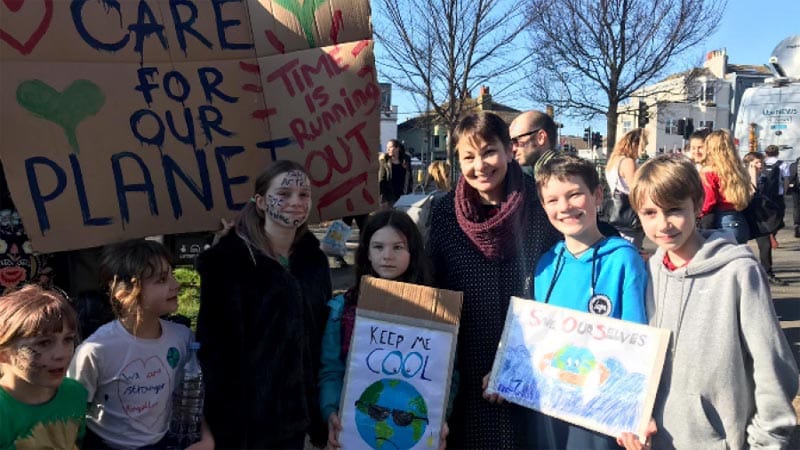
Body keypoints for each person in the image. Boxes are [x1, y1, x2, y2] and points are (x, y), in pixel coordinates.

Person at [617, 155, 798, 450]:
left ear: (699, 203)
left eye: (674, 210)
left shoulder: (738, 272)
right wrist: (636, 419)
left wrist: (766, 442)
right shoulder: (648, 273)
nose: (663, 224)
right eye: (650, 213)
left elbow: (772, 367)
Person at [428, 112, 561, 448]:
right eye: (468, 156)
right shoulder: (444, 215)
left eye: (489, 152)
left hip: (534, 360)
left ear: (509, 151)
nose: (480, 165)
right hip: (465, 364)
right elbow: (431, 287)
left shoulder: (542, 204)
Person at [195, 160, 331, 449]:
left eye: (304, 194)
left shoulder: (314, 262)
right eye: (284, 194)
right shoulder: (228, 263)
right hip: (247, 425)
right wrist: (224, 427)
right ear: (260, 202)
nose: (296, 201)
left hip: (299, 420)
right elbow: (214, 352)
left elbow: (320, 336)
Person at [530, 155, 648, 449]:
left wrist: (636, 412)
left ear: (597, 196)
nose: (565, 207)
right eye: (553, 200)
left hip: (601, 408)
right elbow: (535, 337)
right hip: (550, 406)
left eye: (575, 194)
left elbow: (638, 341)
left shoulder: (624, 259)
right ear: (543, 207)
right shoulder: (546, 264)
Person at [319, 210, 450, 448]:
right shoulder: (342, 310)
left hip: (410, 433)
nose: (387, 256)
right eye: (378, 247)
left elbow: (448, 373)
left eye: (398, 247)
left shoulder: (436, 313)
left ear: (413, 252)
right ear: (366, 253)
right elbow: (331, 369)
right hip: (357, 433)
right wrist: (330, 411)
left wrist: (440, 416)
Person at [67, 239, 211, 449]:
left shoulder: (182, 338)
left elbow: (198, 396)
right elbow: (71, 412)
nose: (176, 284)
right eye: (162, 280)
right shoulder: (95, 350)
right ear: (123, 293)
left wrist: (207, 439)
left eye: (171, 274)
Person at [0, 285, 86, 449]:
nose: (61, 354)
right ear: (3, 353)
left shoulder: (75, 394)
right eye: (44, 343)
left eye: (68, 339)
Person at [697, 129, 752, 243]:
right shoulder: (738, 170)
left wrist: (698, 213)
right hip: (740, 219)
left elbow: (709, 200)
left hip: (721, 221)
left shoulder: (709, 171)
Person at [743, 152, 788, 286]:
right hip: (745, 216)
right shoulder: (743, 178)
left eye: (761, 162)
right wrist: (752, 177)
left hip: (760, 218)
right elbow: (750, 194)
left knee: (765, 245)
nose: (760, 165)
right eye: (756, 162)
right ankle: (743, 274)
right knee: (740, 246)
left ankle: (767, 273)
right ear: (749, 164)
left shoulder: (764, 178)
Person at [605, 128, 647, 248]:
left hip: (617, 213)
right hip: (630, 216)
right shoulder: (628, 162)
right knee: (632, 250)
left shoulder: (613, 162)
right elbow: (636, 189)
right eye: (643, 145)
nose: (643, 150)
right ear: (634, 144)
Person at [508, 110, 559, 178]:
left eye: (517, 140)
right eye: (510, 142)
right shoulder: (532, 178)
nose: (513, 149)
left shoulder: (565, 177)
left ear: (541, 138)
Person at [379, 139, 414, 208]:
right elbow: (381, 180)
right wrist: (383, 198)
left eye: (390, 147)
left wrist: (409, 193)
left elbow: (410, 179)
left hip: (404, 196)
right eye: (387, 147)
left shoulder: (405, 161)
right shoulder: (384, 161)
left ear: (397, 148)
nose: (387, 149)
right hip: (390, 197)